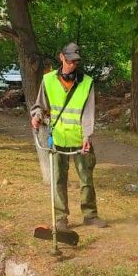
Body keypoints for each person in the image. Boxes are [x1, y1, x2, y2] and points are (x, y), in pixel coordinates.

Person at [31, 42, 108, 230]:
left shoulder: (86, 82)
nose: (73, 65)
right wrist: (37, 116)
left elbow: (88, 113)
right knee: (58, 180)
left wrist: (87, 137)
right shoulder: (48, 80)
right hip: (57, 138)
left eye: (76, 62)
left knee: (86, 179)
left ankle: (90, 215)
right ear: (61, 57)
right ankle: (60, 219)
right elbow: (40, 105)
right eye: (70, 61)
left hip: (80, 140)